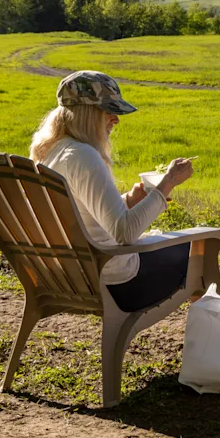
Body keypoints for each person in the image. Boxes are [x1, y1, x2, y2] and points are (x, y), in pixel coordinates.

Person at [28, 69, 197, 313]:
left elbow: (82, 214)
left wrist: (128, 201)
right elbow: (124, 233)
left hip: (70, 278)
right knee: (199, 247)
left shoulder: (54, 151)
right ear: (87, 113)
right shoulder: (84, 156)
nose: (116, 120)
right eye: (109, 111)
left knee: (191, 252)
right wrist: (168, 182)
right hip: (117, 284)